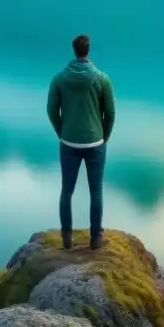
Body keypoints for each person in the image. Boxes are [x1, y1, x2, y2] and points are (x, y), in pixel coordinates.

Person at [47, 34, 116, 250]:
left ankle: (66, 237)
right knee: (96, 191)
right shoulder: (102, 79)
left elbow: (51, 109)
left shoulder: (59, 79)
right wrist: (104, 137)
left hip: (69, 142)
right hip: (95, 143)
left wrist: (62, 131)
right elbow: (110, 113)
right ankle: (96, 238)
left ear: (73, 50)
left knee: (67, 190)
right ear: (88, 50)